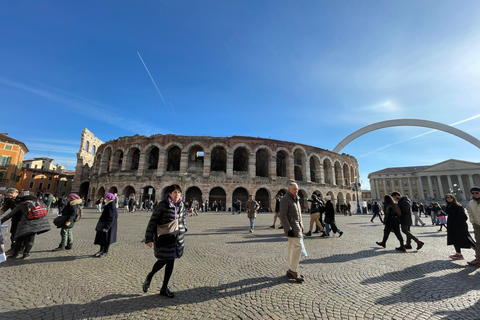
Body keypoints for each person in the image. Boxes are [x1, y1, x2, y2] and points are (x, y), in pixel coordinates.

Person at [143, 184, 187, 298]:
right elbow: (152, 221)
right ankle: (150, 276)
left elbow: (183, 218)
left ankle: (164, 288)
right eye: (175, 192)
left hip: (176, 239)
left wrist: (184, 228)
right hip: (164, 237)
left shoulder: (181, 204)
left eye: (179, 192)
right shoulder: (162, 205)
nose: (177, 195)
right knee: (162, 261)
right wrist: (148, 238)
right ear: (170, 193)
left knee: (171, 263)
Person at [1, 193, 51, 259]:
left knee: (19, 238)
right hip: (37, 224)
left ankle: (15, 254)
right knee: (31, 238)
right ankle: (26, 253)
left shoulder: (23, 204)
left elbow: (10, 214)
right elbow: (46, 210)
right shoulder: (40, 202)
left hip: (25, 224)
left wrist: (1, 221)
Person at [279, 182, 305, 282]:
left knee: (292, 247)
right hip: (292, 228)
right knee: (298, 246)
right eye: (294, 189)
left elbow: (299, 214)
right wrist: (288, 228)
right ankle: (293, 270)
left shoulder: (296, 198)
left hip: (297, 227)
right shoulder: (285, 199)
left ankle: (290, 268)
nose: (296, 191)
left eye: (297, 189)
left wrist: (302, 226)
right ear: (289, 189)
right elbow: (283, 215)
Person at [445, 193, 475, 260]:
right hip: (452, 225)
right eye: (447, 197)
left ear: (453, 198)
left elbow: (464, 217)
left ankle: (477, 251)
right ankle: (458, 253)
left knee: (467, 239)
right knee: (454, 240)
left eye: (450, 197)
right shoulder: (448, 206)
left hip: (459, 226)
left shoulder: (457, 206)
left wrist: (457, 223)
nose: (449, 198)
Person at [93, 193, 118, 257]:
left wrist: (107, 227)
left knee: (107, 239)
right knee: (102, 238)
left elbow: (111, 217)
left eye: (105, 197)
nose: (104, 198)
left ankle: (105, 251)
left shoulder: (111, 205)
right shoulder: (108, 204)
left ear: (108, 198)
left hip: (108, 225)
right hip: (104, 223)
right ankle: (101, 250)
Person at [0, 188, 19, 255]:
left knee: (23, 234)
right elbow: (3, 209)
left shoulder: (21, 199)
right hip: (15, 219)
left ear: (16, 193)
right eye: (8, 196)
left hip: (24, 219)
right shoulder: (9, 200)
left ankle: (23, 247)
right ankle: (13, 248)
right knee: (13, 234)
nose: (10, 197)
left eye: (11, 196)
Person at [467, 186, 480, 267]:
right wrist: (473, 222)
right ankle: (478, 259)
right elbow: (470, 213)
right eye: (473, 193)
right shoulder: (471, 203)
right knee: (478, 243)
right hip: (477, 224)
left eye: (476, 192)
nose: (475, 194)